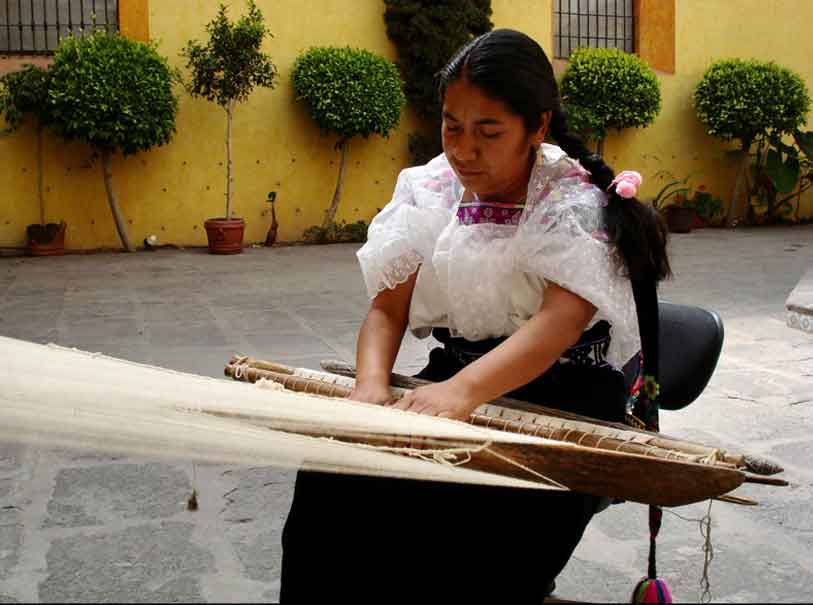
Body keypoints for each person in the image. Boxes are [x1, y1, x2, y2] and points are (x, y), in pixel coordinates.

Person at [280, 29, 670, 603]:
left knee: (471, 543)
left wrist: (462, 394)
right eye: (451, 125)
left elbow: (557, 325)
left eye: (488, 131)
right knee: (333, 482)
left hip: (569, 396)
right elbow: (387, 309)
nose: (464, 149)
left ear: (537, 127)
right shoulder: (431, 187)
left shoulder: (571, 199)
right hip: (459, 376)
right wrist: (368, 390)